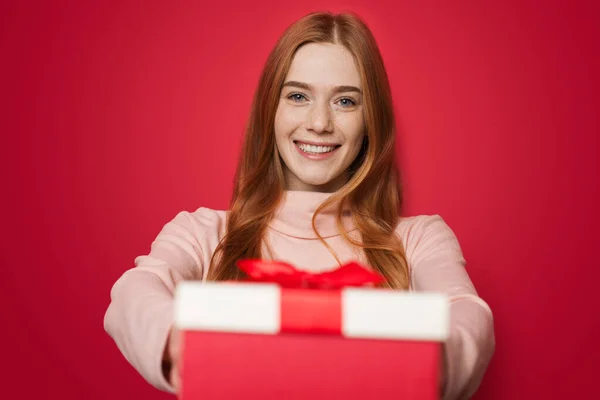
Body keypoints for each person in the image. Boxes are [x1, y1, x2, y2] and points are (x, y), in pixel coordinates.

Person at [104, 11, 495, 400]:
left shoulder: (418, 239)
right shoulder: (204, 233)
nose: (320, 122)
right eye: (298, 96)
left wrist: (427, 362)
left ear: (371, 119)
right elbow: (134, 292)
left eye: (345, 101)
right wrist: (180, 344)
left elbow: (467, 313)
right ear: (270, 109)